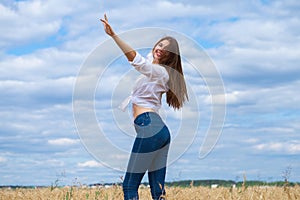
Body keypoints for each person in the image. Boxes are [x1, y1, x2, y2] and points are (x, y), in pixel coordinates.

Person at [100, 14, 188, 200]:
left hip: (150, 127)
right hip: (160, 132)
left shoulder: (161, 73)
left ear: (171, 56)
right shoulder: (158, 69)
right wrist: (154, 53)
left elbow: (137, 61)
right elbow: (148, 59)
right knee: (158, 192)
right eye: (160, 44)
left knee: (130, 186)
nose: (160, 49)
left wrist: (114, 36)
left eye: (166, 49)